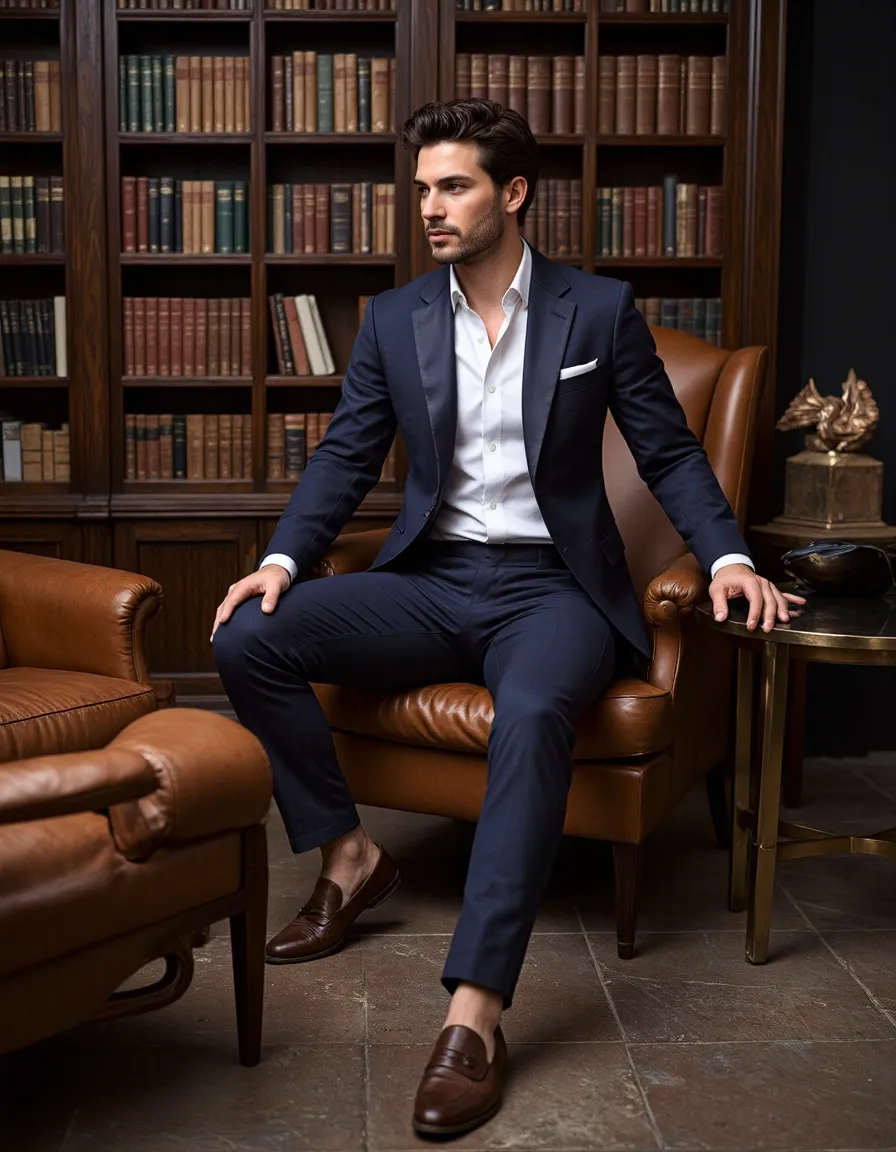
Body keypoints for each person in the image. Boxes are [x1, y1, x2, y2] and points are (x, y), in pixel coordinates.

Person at [212, 98, 803, 1139]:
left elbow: (666, 451)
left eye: (454, 186)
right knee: (248, 635)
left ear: (512, 193)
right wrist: (278, 560)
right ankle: (348, 858)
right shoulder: (396, 320)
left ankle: (473, 1015)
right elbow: (347, 455)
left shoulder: (594, 311)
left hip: (555, 591)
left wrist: (725, 556)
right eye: (422, 188)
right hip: (433, 577)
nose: (429, 209)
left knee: (531, 715)